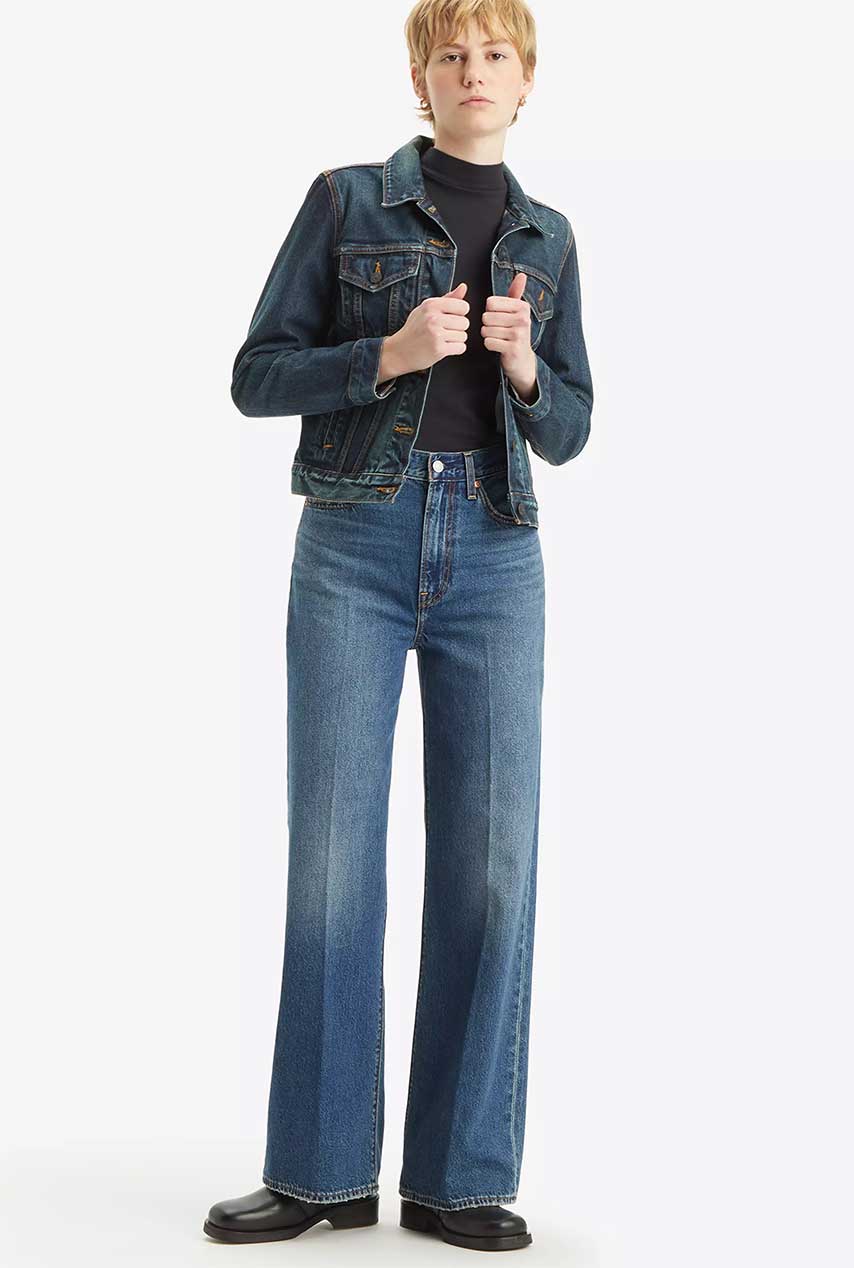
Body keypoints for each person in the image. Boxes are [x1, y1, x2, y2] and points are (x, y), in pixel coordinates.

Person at [204, 0, 593, 1252]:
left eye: (494, 54)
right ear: (419, 79)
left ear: (524, 82)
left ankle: (456, 1178)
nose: (472, 71)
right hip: (355, 543)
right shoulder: (344, 201)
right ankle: (319, 1170)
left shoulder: (548, 236)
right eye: (450, 54)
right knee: (332, 855)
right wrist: (384, 352)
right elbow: (256, 373)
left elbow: (572, 424)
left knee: (491, 862)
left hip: (496, 551)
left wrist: (525, 371)